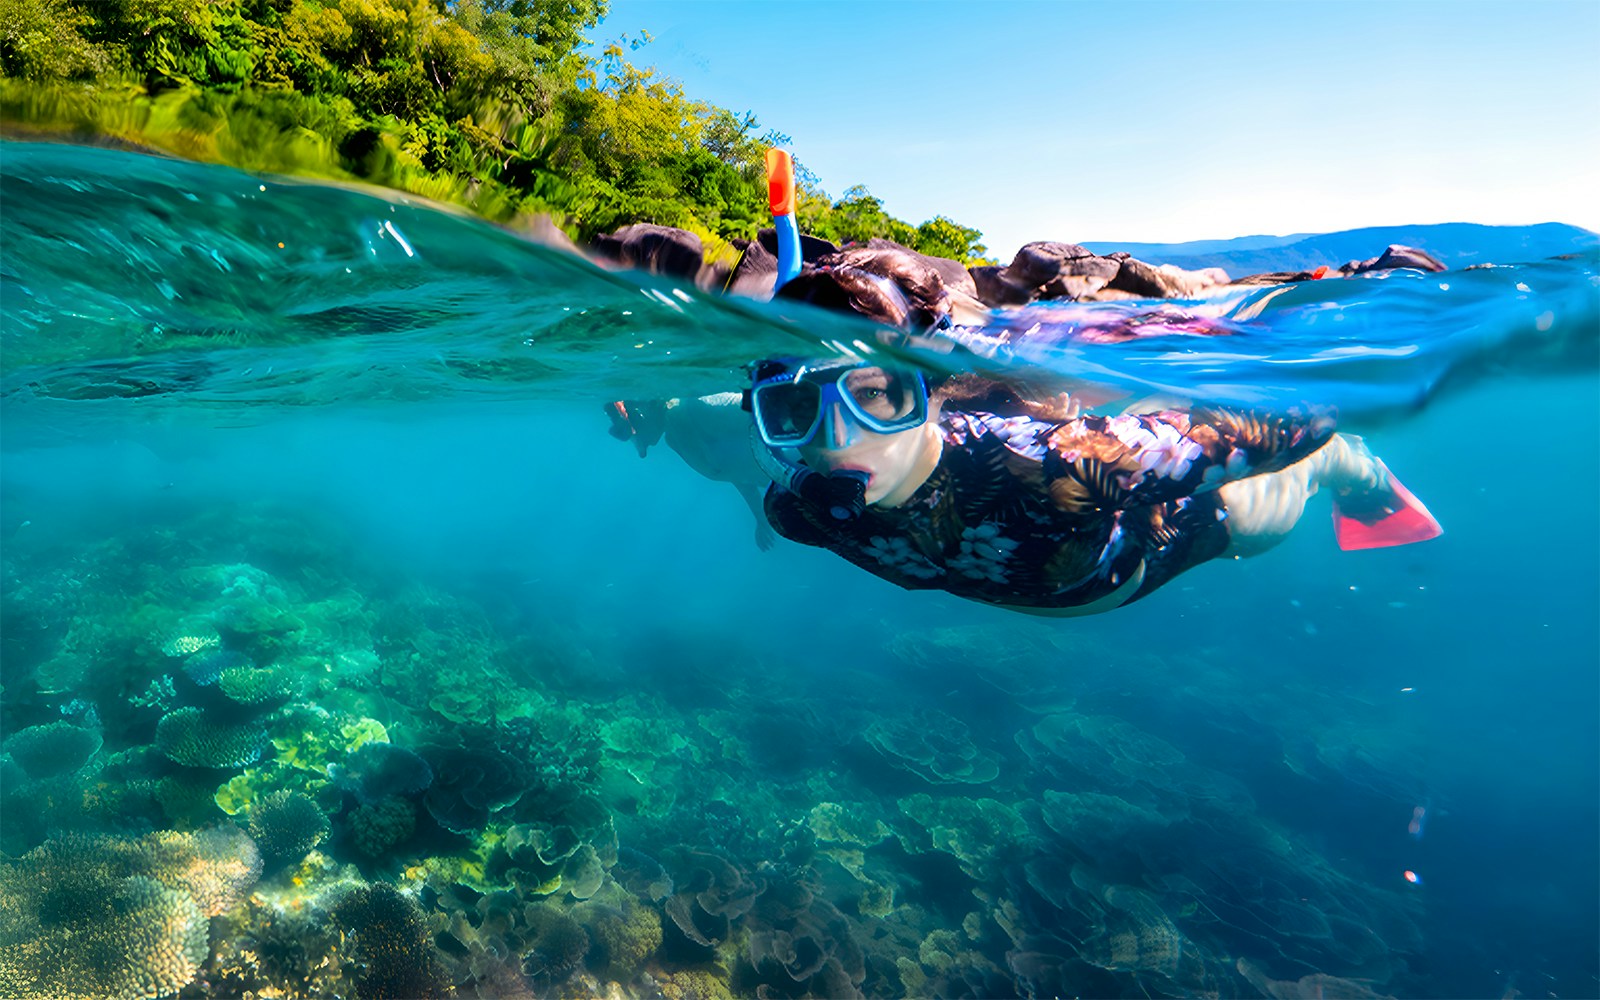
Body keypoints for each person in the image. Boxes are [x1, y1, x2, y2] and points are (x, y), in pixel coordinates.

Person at [745, 353, 1441, 616]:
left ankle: (1356, 469)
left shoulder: (1060, 466)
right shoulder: (802, 508)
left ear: (931, 395)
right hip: (1058, 576)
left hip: (1170, 534)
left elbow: (1298, 420)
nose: (837, 439)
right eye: (796, 411)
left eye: (878, 397)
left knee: (1269, 501)